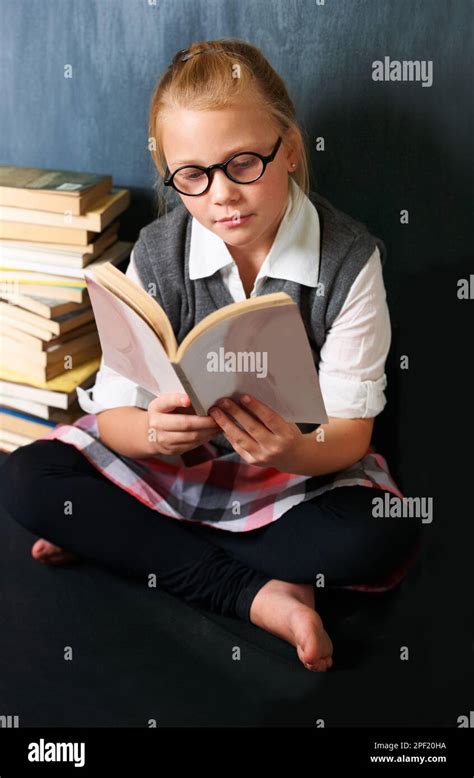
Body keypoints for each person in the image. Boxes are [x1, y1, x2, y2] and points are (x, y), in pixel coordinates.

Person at [0, 39, 421, 673]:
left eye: (243, 162)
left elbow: (350, 436)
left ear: (292, 150)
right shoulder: (157, 253)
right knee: (29, 479)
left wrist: (291, 451)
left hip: (299, 477)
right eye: (192, 176)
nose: (221, 194)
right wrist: (152, 433)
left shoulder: (349, 260)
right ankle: (259, 595)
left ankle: (133, 543)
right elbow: (116, 418)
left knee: (379, 533)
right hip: (178, 469)